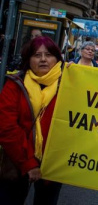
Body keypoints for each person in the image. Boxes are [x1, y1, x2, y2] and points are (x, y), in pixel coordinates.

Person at [0, 36, 63, 204]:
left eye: (48, 54)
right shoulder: (15, 84)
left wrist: (78, 75)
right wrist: (29, 163)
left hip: (53, 165)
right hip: (17, 162)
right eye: (37, 55)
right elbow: (7, 128)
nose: (43, 59)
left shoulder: (68, 84)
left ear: (57, 59)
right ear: (29, 59)